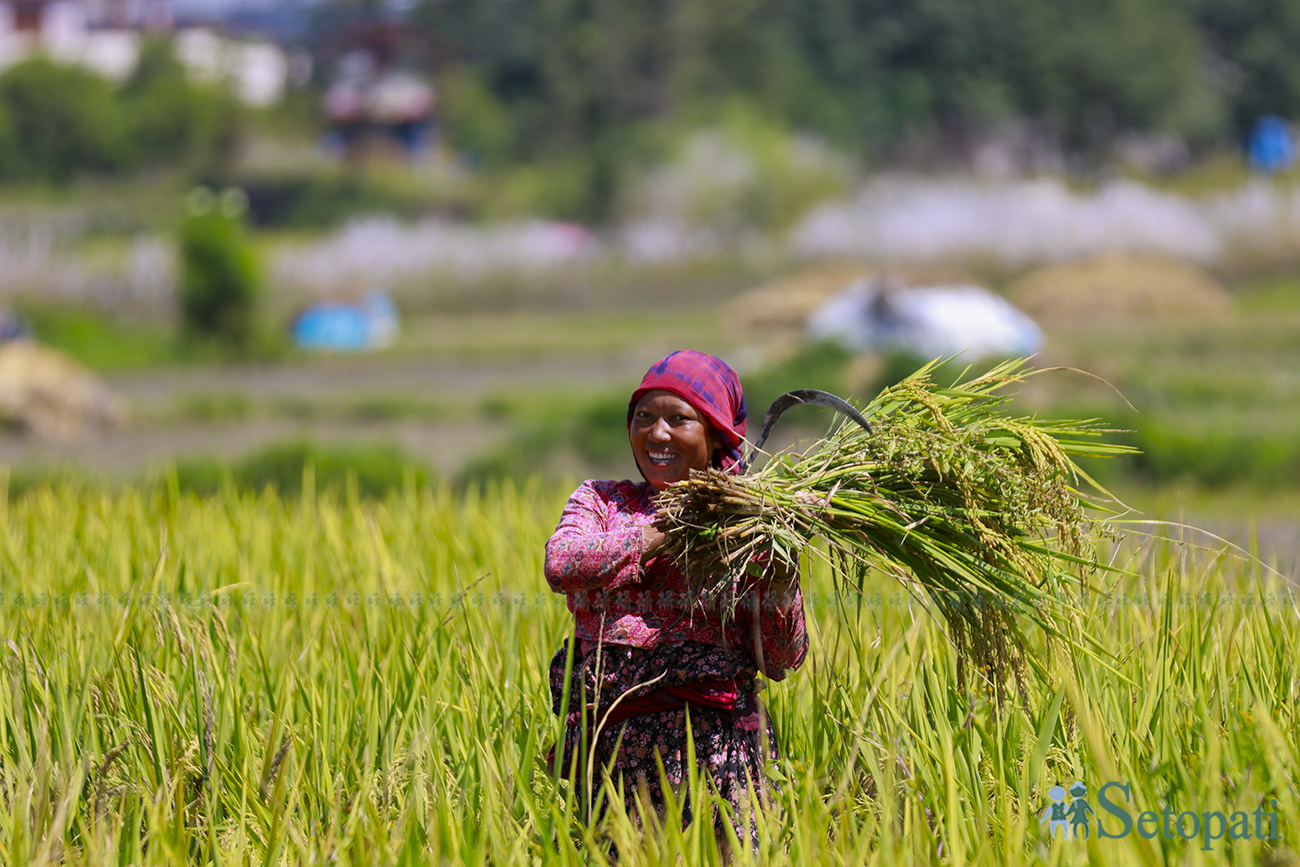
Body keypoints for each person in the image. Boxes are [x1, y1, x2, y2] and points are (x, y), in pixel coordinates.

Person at [545, 350, 808, 852]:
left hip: (720, 761)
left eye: (678, 419)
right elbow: (563, 564)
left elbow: (781, 659)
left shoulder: (746, 525)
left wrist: (778, 569)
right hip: (612, 757)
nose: (657, 434)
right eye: (644, 417)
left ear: (716, 436)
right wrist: (663, 529)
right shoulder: (603, 501)